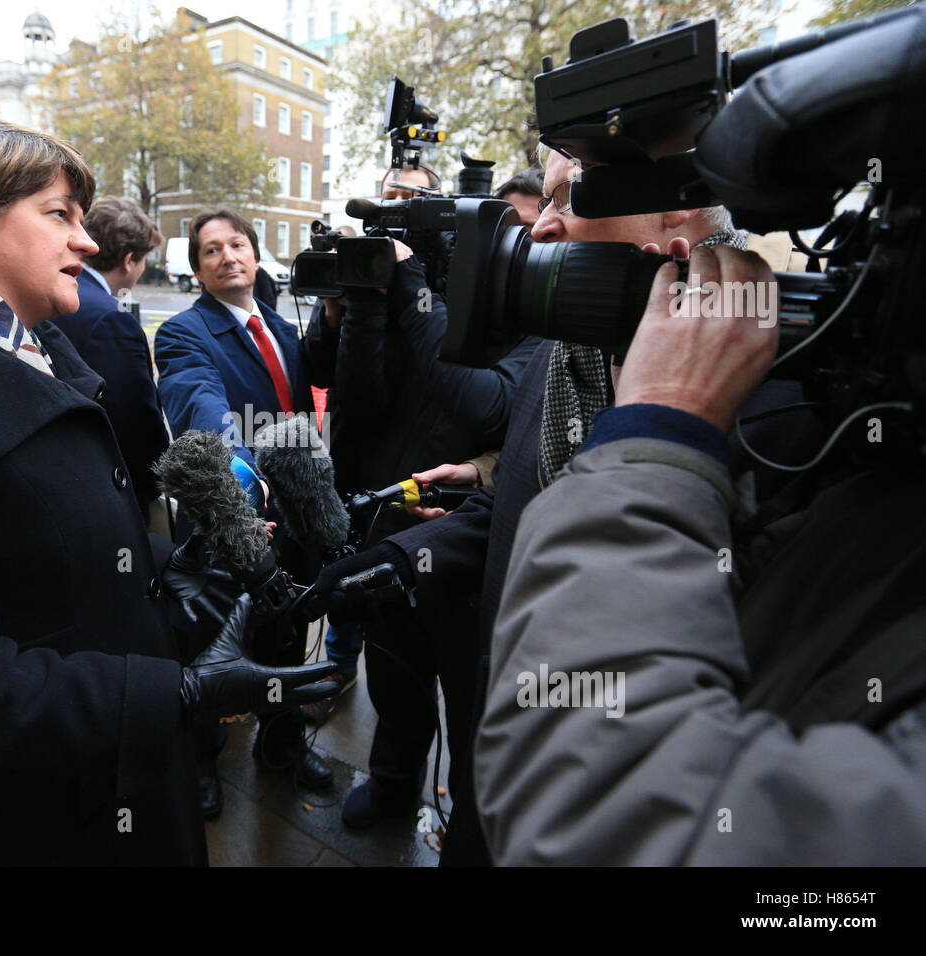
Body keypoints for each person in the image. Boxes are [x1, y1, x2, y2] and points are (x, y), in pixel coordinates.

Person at [0, 115, 333, 865]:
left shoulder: (39, 347)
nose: (87, 242)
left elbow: (45, 542)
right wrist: (171, 696)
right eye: (60, 216)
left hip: (133, 782)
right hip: (39, 822)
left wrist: (161, 574)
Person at [307, 145, 824, 863]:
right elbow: (527, 508)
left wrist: (665, 428)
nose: (540, 228)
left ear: (675, 202)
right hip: (498, 781)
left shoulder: (800, 410)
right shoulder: (565, 350)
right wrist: (403, 557)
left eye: (564, 198)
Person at [475, 242, 926, 864]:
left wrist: (659, 430)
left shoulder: (766, 405)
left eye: (578, 187)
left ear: (673, 242)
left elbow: (610, 823)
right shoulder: (883, 503)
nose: (548, 224)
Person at [300, 163, 540, 838]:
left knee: (470, 704)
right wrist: (362, 305)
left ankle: (471, 822)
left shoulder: (533, 324)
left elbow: (485, 403)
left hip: (466, 545)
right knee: (395, 682)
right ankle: (393, 787)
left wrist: (410, 296)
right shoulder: (417, 298)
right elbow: (360, 394)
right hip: (389, 530)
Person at [154, 207, 330, 818]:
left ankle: (281, 746)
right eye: (210, 250)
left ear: (255, 255)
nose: (227, 256)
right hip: (230, 523)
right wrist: (238, 481)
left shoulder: (282, 328)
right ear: (197, 269)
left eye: (237, 244)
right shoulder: (182, 333)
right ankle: (202, 763)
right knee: (211, 651)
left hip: (295, 520)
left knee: (284, 640)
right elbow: (198, 402)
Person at [41, 196, 169, 522]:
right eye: (143, 262)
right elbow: (136, 423)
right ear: (129, 261)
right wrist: (155, 487)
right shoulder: (111, 320)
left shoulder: (46, 292)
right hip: (108, 500)